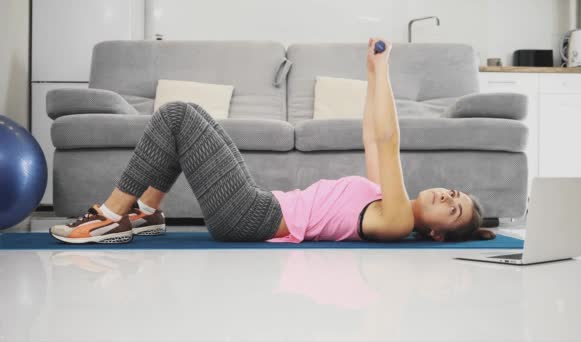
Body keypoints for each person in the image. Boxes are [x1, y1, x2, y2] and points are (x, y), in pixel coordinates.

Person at [50, 37, 495, 244]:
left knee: (178, 115)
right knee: (189, 122)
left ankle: (108, 216)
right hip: (258, 207)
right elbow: (372, 139)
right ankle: (144, 212)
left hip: (252, 217)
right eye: (453, 192)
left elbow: (389, 138)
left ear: (436, 232)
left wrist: (383, 72)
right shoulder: (382, 199)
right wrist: (369, 75)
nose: (446, 195)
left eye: (451, 208)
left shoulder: (397, 219)